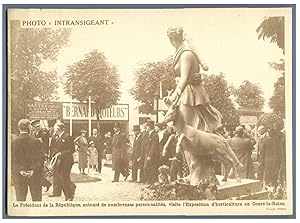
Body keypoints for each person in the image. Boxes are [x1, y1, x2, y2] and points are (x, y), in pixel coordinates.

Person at [164, 26, 222, 184]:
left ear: (171, 38)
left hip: (190, 95)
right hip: (186, 93)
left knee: (188, 134)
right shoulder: (184, 52)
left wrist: (175, 95)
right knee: (185, 135)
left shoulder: (186, 53)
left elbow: (183, 79)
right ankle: (194, 173)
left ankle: (200, 175)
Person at [11, 119, 44, 201]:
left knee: (20, 200)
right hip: (35, 175)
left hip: (19, 175)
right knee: (37, 200)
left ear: (19, 128)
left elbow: (12, 160)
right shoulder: (36, 141)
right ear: (29, 128)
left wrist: (20, 170)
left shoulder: (13, 142)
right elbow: (41, 159)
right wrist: (33, 170)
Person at [49, 122, 76, 201]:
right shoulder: (55, 136)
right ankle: (58, 192)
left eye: (55, 128)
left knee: (64, 178)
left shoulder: (67, 137)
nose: (54, 129)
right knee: (57, 177)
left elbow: (72, 150)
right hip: (57, 160)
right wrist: (51, 157)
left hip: (66, 161)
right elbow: (53, 148)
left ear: (59, 128)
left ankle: (69, 196)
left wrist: (61, 153)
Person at [30, 120, 52, 192]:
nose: (38, 128)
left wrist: (46, 156)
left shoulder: (44, 134)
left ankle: (43, 184)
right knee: (37, 172)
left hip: (41, 156)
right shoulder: (33, 134)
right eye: (36, 127)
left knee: (38, 171)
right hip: (34, 156)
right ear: (33, 127)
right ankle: (47, 183)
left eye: (39, 126)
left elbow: (46, 146)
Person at [143, 120, 160, 184]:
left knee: (152, 169)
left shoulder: (155, 135)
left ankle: (151, 182)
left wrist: (150, 155)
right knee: (146, 168)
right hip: (147, 154)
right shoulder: (148, 134)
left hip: (153, 156)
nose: (146, 128)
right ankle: (150, 181)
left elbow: (154, 146)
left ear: (150, 127)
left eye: (147, 126)